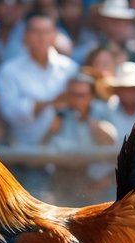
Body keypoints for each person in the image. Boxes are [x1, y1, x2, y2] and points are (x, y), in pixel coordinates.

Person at [0, 13, 78, 193]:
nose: (41, 37)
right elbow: (10, 113)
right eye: (35, 31)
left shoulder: (70, 68)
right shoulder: (9, 70)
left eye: (46, 31)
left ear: (55, 35)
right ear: (25, 36)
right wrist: (50, 103)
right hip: (29, 156)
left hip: (70, 156)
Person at [42, 72, 117, 203]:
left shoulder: (103, 111)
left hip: (100, 183)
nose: (75, 100)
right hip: (67, 180)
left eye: (80, 96)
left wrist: (90, 122)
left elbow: (112, 144)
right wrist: (51, 130)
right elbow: (42, 149)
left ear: (91, 97)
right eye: (72, 95)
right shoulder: (61, 114)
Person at [97, 60, 135, 143]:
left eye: (134, 88)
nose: (129, 92)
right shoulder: (108, 109)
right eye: (124, 88)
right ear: (117, 90)